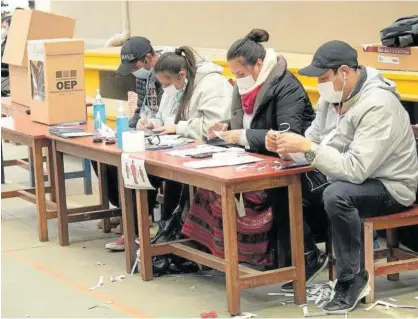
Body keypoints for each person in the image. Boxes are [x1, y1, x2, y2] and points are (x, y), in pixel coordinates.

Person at [268, 40, 418, 313]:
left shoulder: (378, 105)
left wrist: (308, 149)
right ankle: (308, 258)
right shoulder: (333, 96)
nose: (321, 86)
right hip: (349, 176)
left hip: (390, 185)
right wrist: (287, 147)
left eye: (324, 78)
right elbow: (313, 140)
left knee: (337, 195)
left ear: (345, 72)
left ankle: (352, 278)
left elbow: (355, 169)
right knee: (282, 183)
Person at [181, 29, 315, 267]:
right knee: (208, 186)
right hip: (253, 159)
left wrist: (242, 135)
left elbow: (289, 136)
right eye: (234, 73)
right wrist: (224, 128)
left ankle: (300, 256)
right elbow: (242, 126)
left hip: (291, 163)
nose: (237, 78)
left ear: (259, 64)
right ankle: (210, 252)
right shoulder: (243, 87)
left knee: (260, 191)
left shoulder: (286, 87)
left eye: (240, 73)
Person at [91, 37, 174, 251]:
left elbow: (172, 113)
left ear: (148, 58)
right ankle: (124, 209)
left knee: (136, 162)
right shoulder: (142, 76)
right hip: (148, 131)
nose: (134, 71)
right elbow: (140, 109)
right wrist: (129, 127)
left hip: (166, 135)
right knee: (101, 156)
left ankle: (139, 222)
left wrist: (154, 125)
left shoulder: (169, 72)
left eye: (135, 65)